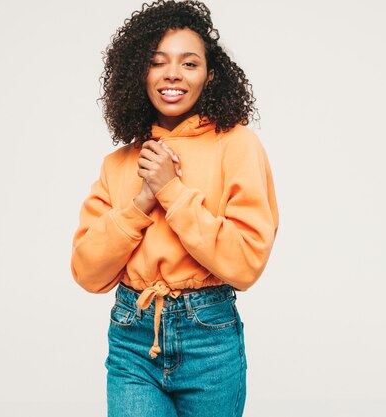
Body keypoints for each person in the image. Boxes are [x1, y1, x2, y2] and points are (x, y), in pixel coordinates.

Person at [69, 1, 279, 416]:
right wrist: (141, 203)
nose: (173, 75)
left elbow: (245, 264)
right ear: (139, 74)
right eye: (158, 62)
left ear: (210, 75)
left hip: (210, 338)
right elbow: (87, 272)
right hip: (133, 336)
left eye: (190, 63)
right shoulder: (119, 163)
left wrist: (171, 191)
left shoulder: (236, 145)